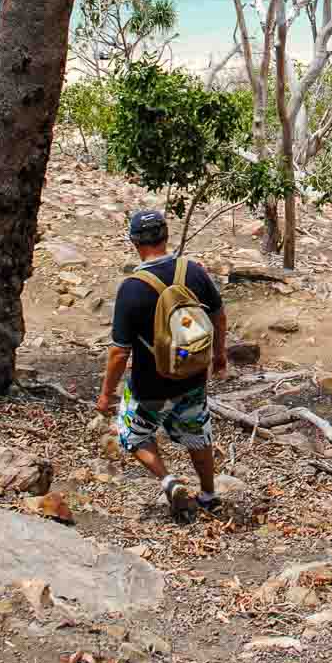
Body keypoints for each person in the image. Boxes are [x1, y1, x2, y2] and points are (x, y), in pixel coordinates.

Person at [97, 208, 228, 519]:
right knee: (198, 434)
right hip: (192, 373)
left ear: (134, 242)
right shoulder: (192, 271)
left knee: (133, 433)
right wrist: (219, 355)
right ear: (166, 236)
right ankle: (209, 495)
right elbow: (219, 317)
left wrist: (106, 393)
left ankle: (169, 481)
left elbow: (119, 352)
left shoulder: (132, 288)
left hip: (149, 383)